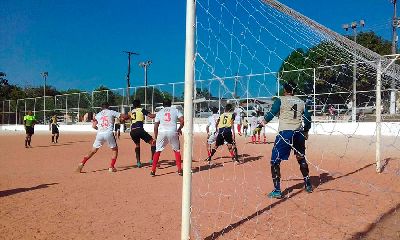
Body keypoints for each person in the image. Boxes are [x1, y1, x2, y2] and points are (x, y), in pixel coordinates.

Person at [264, 83, 312, 198]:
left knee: (275, 161)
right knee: (301, 157)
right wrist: (306, 130)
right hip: (298, 133)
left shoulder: (281, 100)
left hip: (285, 133)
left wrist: (263, 123)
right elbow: (307, 118)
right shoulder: (301, 102)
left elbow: (272, 112)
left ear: (285, 90)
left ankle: (277, 190)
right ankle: (308, 184)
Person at [76, 102, 126, 173]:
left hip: (100, 134)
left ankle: (82, 163)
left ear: (101, 107)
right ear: (108, 106)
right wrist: (129, 116)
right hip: (108, 133)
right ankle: (111, 167)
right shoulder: (111, 112)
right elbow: (123, 116)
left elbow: (93, 126)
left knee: (93, 151)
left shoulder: (98, 115)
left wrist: (99, 129)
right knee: (114, 150)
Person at [150, 99, 184, 176]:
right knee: (177, 150)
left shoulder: (159, 112)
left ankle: (153, 171)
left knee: (157, 151)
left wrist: (156, 137)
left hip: (162, 132)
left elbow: (156, 126)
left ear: (163, 105)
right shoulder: (175, 110)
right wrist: (179, 129)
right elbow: (182, 120)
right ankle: (179, 170)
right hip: (173, 131)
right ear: (170, 104)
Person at [128, 99, 156, 168]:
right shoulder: (141, 110)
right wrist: (159, 114)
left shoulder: (131, 112)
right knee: (153, 142)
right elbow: (151, 116)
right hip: (139, 129)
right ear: (139, 104)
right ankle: (152, 160)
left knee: (137, 145)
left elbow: (129, 119)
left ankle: (138, 162)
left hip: (132, 131)